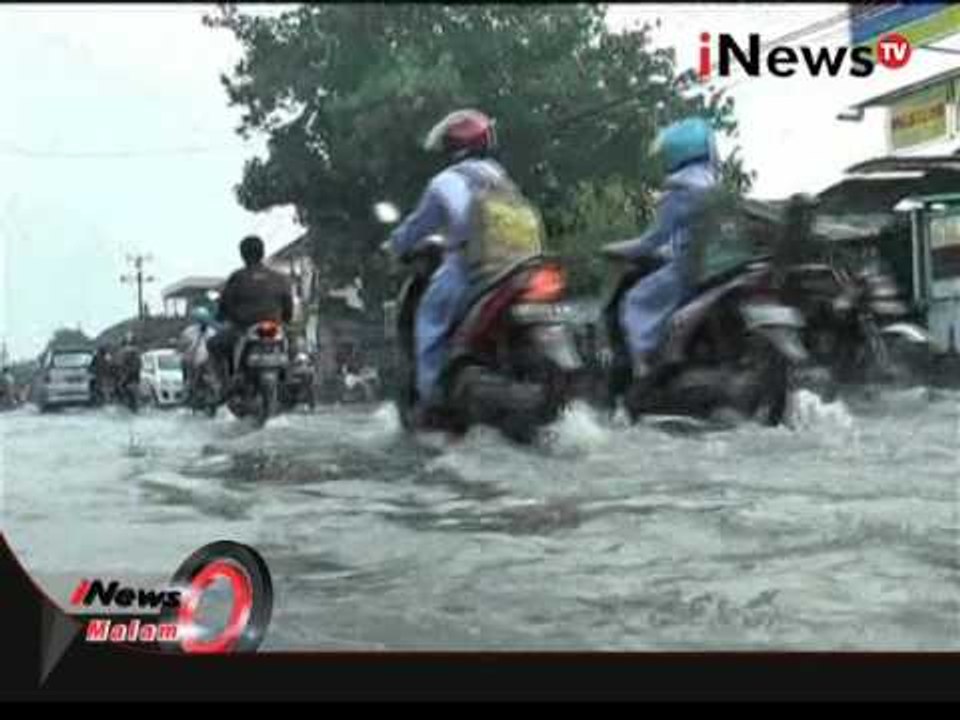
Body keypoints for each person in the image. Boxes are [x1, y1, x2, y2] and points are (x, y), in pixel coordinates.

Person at [388, 108, 525, 413]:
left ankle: (432, 400)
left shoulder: (445, 182)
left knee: (429, 319)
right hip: (518, 267)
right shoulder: (500, 176)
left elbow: (416, 227)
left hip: (471, 268)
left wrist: (395, 245)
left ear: (453, 146)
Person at [619, 117, 722, 385]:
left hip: (688, 269)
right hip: (715, 266)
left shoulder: (679, 187)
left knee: (634, 301)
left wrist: (613, 249)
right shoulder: (712, 184)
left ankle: (641, 369)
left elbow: (651, 242)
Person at [207, 235, 294, 387]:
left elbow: (225, 303)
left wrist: (221, 316)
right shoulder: (279, 278)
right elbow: (288, 306)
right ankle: (291, 379)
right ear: (262, 253)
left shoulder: (237, 277)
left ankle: (222, 383)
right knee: (294, 347)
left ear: (242, 255)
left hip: (243, 328)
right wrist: (285, 320)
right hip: (275, 328)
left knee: (213, 344)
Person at [180, 306, 220, 391]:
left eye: (204, 319)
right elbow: (183, 347)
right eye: (200, 319)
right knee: (184, 363)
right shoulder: (188, 332)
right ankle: (187, 384)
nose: (202, 321)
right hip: (192, 363)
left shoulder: (212, 332)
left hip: (207, 363)